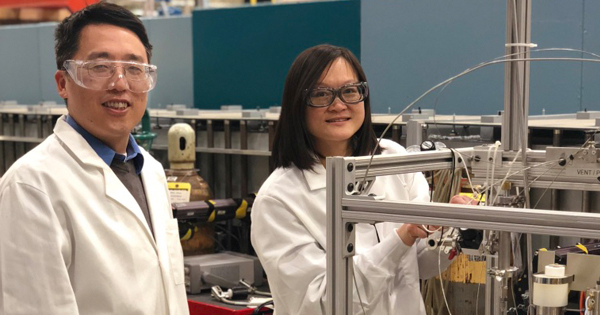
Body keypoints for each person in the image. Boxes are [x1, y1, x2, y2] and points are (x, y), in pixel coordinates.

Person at [251, 44, 471, 315]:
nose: (339, 105)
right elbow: (321, 305)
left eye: (350, 91)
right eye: (321, 94)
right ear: (298, 104)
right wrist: (401, 238)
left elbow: (422, 267)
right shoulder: (278, 199)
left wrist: (447, 229)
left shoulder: (394, 159)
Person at [0, 3, 188, 314]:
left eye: (134, 68)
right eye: (100, 67)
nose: (120, 83)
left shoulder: (150, 170)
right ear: (63, 83)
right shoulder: (30, 186)